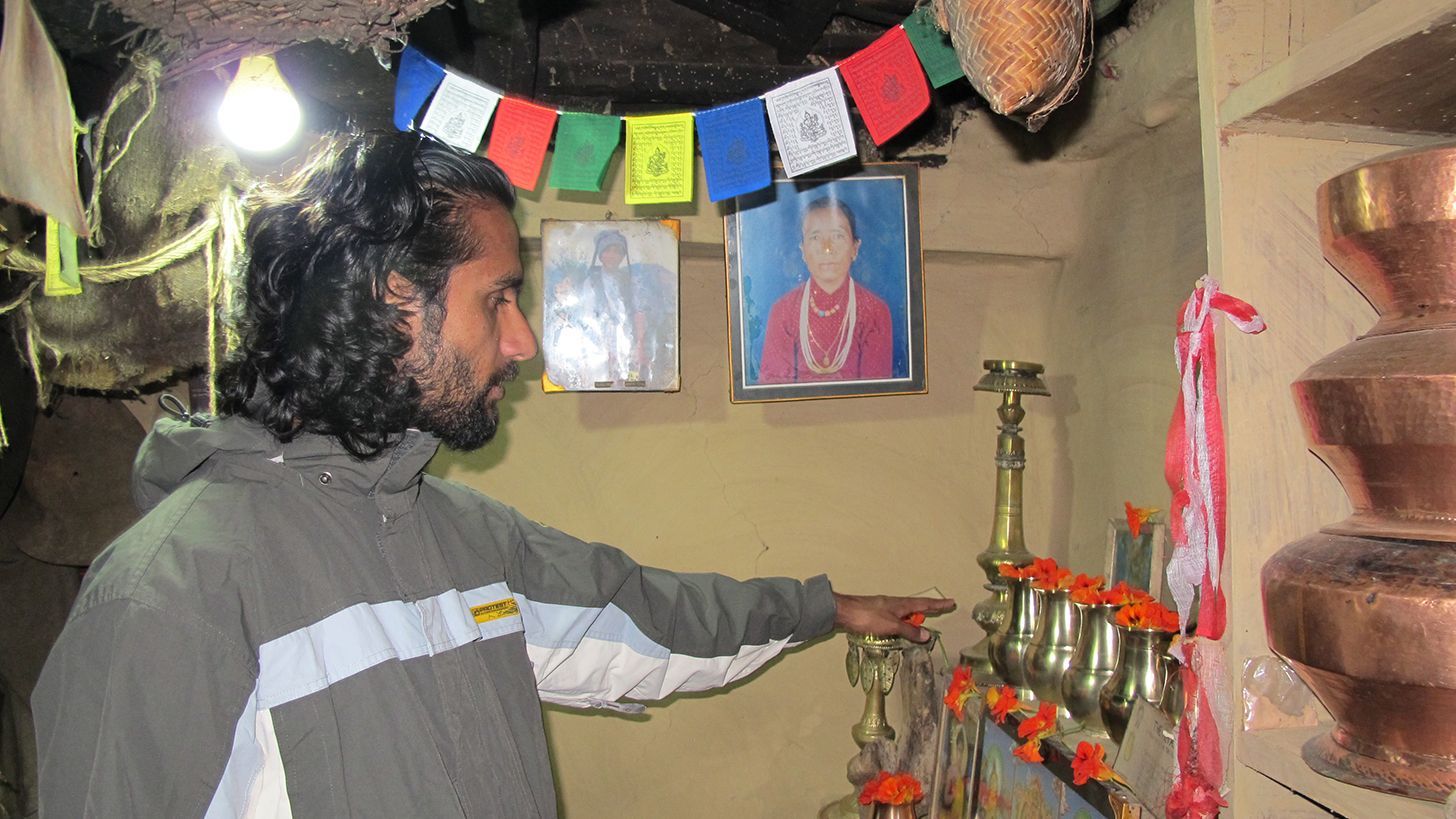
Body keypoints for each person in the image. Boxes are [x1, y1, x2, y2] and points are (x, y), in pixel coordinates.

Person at [31, 132, 953, 818]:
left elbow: (652, 616)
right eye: (499, 298)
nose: (524, 340)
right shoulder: (165, 599)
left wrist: (821, 607)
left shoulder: (462, 534)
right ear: (397, 297)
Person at [758, 196, 895, 383]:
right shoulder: (783, 311)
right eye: (815, 238)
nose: (827, 249)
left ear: (855, 248)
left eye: (838, 236)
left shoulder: (874, 311)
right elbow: (773, 393)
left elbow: (876, 398)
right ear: (803, 251)